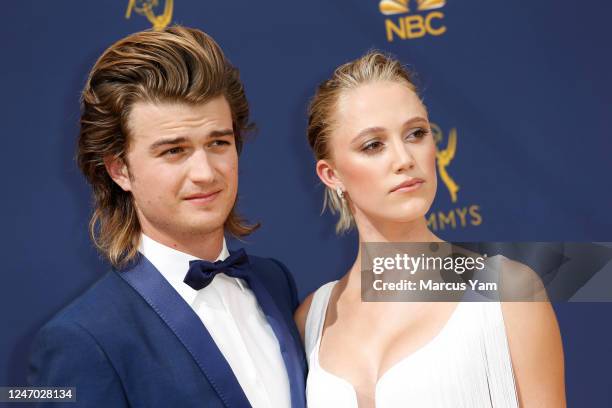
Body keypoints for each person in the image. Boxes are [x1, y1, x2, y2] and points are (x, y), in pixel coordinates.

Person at [28, 26, 306, 408]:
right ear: (119, 170)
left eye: (218, 143)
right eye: (174, 151)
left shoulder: (275, 282)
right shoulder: (81, 340)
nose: (205, 172)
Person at [295, 51, 566, 407]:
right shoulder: (310, 319)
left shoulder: (509, 294)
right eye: (373, 145)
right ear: (331, 175)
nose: (404, 158)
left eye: (416, 133)